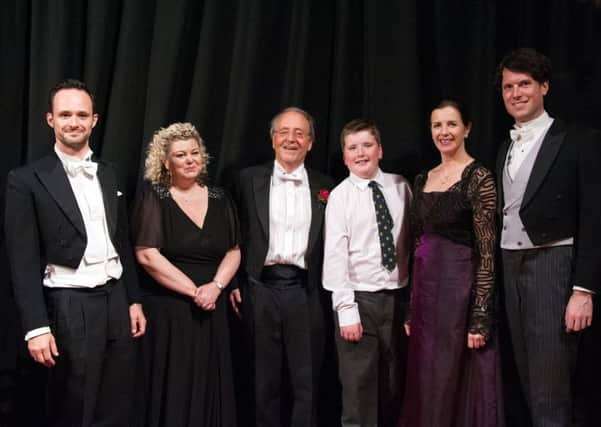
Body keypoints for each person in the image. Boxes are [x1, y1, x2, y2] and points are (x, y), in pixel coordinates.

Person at [4, 78, 146, 426]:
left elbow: (122, 242)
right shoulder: (25, 179)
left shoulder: (110, 173)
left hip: (115, 299)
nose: (74, 121)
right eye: (65, 114)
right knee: (74, 403)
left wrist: (133, 300)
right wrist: (36, 327)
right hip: (69, 303)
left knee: (117, 402)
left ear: (94, 120)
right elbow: (21, 260)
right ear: (50, 119)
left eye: (82, 114)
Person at [495, 48, 601, 427]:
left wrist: (583, 290)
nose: (516, 93)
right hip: (511, 265)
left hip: (552, 265)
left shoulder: (577, 140)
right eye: (509, 86)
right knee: (526, 379)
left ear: (544, 86)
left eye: (525, 84)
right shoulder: (505, 146)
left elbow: (593, 218)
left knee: (550, 387)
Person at [400, 99, 503, 427]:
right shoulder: (422, 179)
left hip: (460, 294)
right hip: (426, 296)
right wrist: (411, 306)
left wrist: (480, 316)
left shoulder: (478, 176)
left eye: (451, 124)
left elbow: (487, 252)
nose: (443, 132)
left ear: (467, 129)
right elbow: (417, 243)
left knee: (455, 377)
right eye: (437, 125)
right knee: (426, 375)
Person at [230, 107, 334, 427]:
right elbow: (234, 233)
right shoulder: (246, 180)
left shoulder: (326, 186)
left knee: (307, 381)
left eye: (300, 133)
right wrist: (234, 281)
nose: (291, 139)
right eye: (284, 132)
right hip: (260, 287)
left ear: (311, 143)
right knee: (263, 380)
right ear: (273, 139)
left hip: (307, 290)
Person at [131, 122, 240, 427]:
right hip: (171, 309)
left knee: (210, 383)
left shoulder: (221, 198)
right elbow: (147, 255)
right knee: (175, 385)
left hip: (212, 306)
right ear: (166, 162)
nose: (190, 159)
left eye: (195, 153)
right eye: (181, 155)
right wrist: (195, 292)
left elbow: (234, 250)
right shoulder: (154, 196)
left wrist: (216, 287)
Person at [322, 119, 411, 427]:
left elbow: (412, 242)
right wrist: (346, 309)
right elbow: (335, 256)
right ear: (345, 157)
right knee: (359, 391)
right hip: (360, 300)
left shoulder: (401, 187)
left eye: (367, 145)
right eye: (352, 148)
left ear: (380, 150)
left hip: (398, 301)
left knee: (394, 385)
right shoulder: (340, 197)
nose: (361, 153)